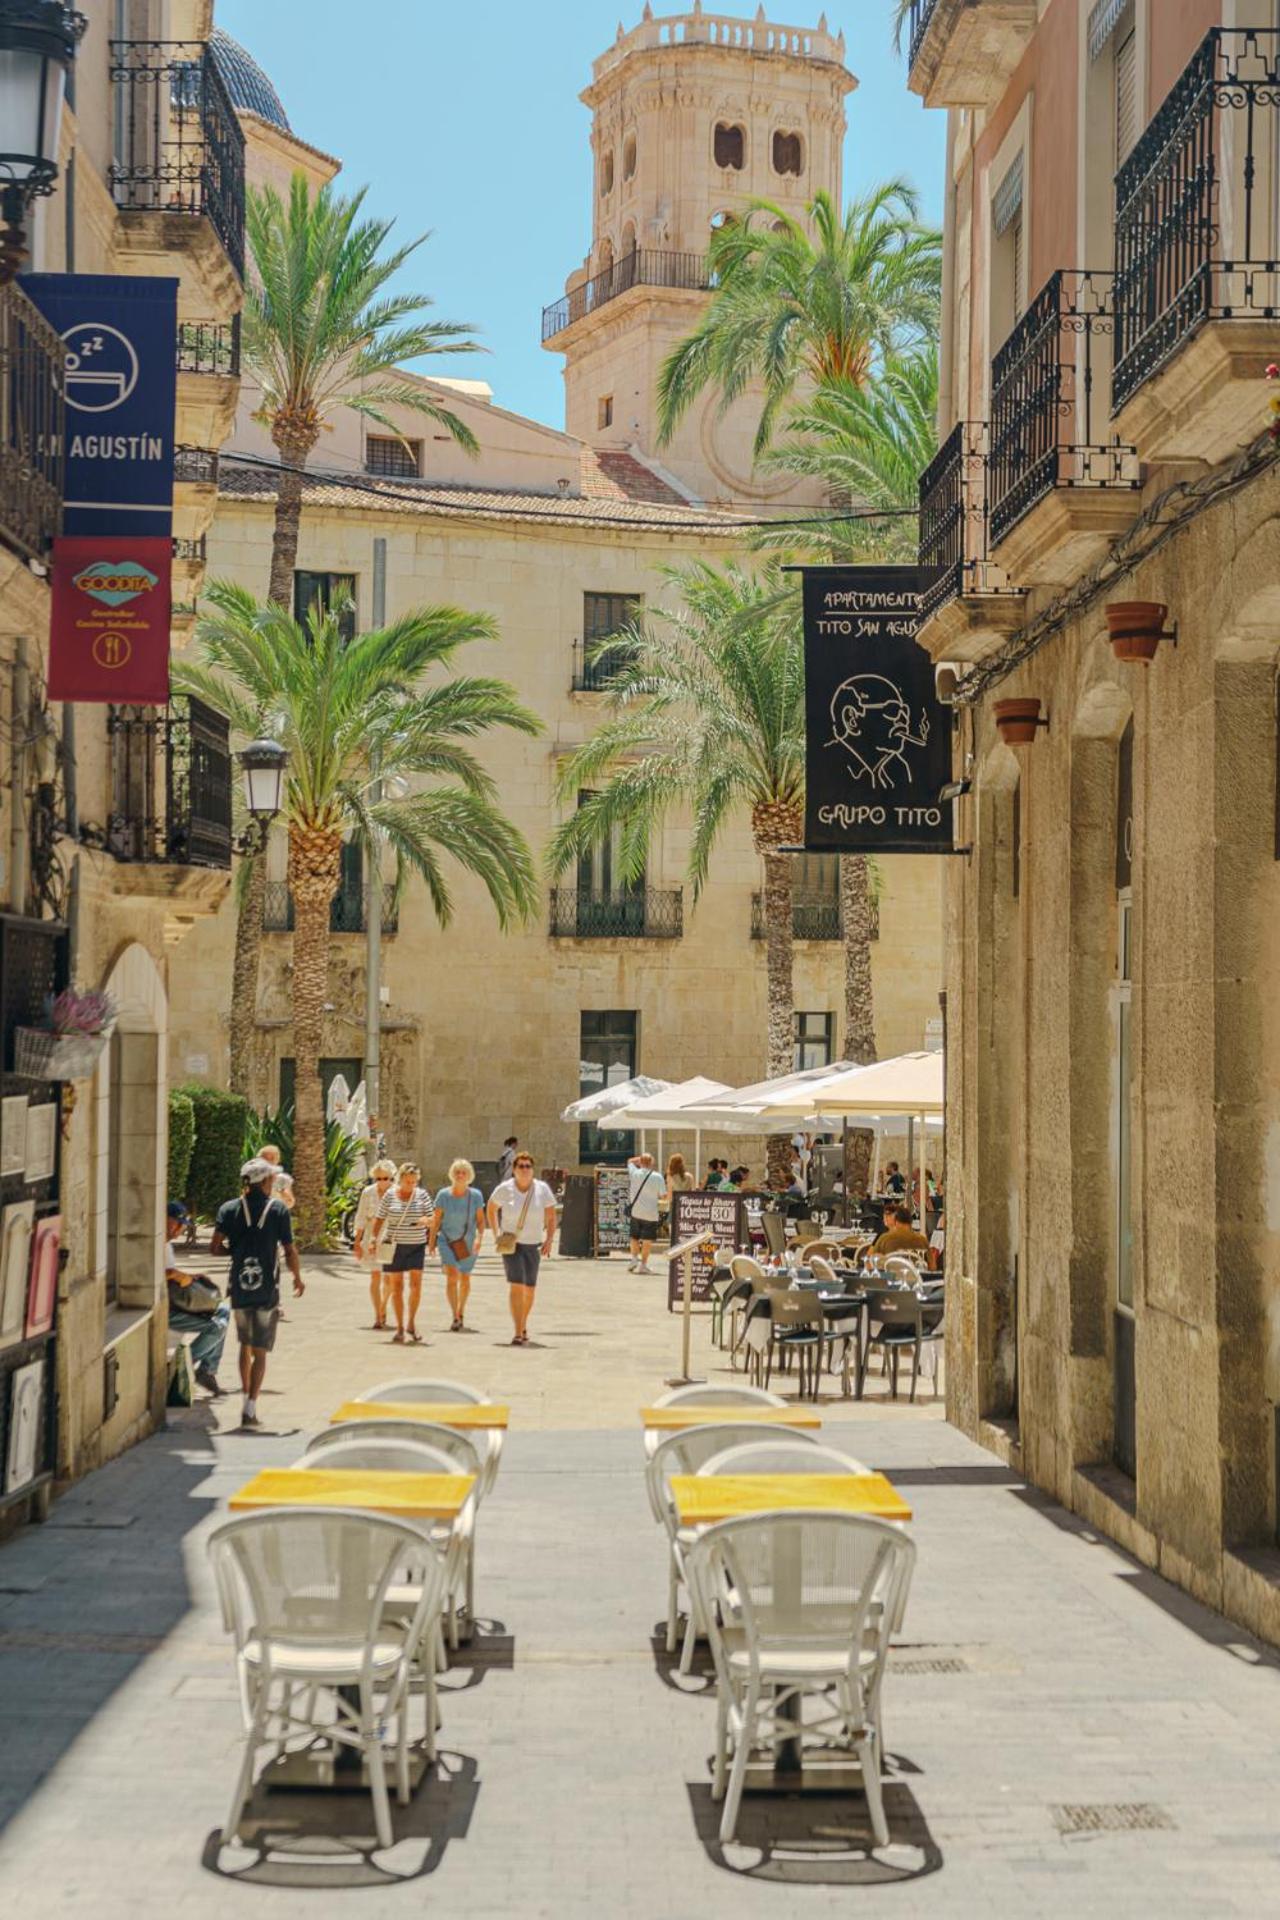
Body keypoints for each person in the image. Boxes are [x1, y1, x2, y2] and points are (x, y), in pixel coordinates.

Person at [210, 1158, 304, 1429]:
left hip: (239, 1284)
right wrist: (297, 1277)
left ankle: (245, 1399)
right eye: (271, 1179)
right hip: (266, 1287)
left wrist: (238, 1252)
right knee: (260, 1351)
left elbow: (215, 1248)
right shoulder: (277, 1210)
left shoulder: (229, 1209)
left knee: (244, 1343)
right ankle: (251, 1406)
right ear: (264, 1181)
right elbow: (289, 1249)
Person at [487, 1151, 557, 1345]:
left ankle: (523, 1323)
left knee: (530, 1289)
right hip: (512, 1244)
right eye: (521, 1166)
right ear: (514, 1170)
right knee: (517, 1286)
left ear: (532, 1169)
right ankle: (518, 1331)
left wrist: (550, 1239)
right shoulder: (505, 1189)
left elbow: (551, 1216)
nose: (525, 1170)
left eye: (528, 1166)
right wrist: (496, 1233)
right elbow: (491, 1208)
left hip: (533, 1244)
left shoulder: (542, 1189)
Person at [165, 1200, 229, 1396]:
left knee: (223, 1311)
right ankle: (181, 1369)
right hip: (167, 1309)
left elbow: (170, 1271)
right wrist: (179, 1276)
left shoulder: (166, 1245)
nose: (179, 1230)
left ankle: (207, 1370)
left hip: (176, 1299)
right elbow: (159, 1274)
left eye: (181, 1226)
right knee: (216, 1327)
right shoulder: (155, 1243)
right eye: (177, 1224)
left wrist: (190, 1277)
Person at [371, 1162, 432, 1344]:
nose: (411, 1185)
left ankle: (411, 1322)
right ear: (400, 1180)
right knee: (396, 1287)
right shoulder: (390, 1195)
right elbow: (379, 1218)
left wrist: (426, 1220)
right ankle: (399, 1327)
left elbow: (432, 1217)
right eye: (407, 1181)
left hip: (416, 1245)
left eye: (414, 1182)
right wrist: (374, 1240)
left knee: (415, 1285)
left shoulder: (422, 1195)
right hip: (394, 1246)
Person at [429, 1158, 486, 1332]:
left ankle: (461, 1311)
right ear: (452, 1175)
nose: (460, 1175)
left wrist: (479, 1239)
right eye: (457, 1172)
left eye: (464, 1173)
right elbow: (436, 1220)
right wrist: (431, 1242)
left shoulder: (476, 1195)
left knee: (465, 1278)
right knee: (452, 1276)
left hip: (467, 1242)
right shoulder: (443, 1195)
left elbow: (481, 1221)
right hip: (446, 1241)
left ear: (469, 1176)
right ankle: (454, 1315)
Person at [351, 1157, 396, 1330]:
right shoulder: (367, 1192)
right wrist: (357, 1241)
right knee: (375, 1275)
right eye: (379, 1178)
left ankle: (383, 1307)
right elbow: (360, 1217)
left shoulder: (397, 1192)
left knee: (390, 1278)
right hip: (371, 1236)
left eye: (386, 1178)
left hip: (391, 1237)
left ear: (392, 1178)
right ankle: (378, 1314)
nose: (382, 1182)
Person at [626, 1151, 663, 1273]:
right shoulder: (658, 1176)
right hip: (651, 1213)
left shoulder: (634, 1173)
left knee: (634, 1237)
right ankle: (643, 1265)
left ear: (640, 1162)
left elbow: (630, 1161)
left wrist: (640, 1159)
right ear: (652, 1163)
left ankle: (634, 1259)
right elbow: (663, 1195)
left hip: (636, 1211)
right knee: (647, 1240)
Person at [258, 1142, 295, 1210]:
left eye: (272, 1159)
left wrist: (280, 1190)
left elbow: (290, 1203)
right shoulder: (253, 1178)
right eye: (264, 1159)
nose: (268, 1162)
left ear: (277, 1160)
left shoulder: (283, 1179)